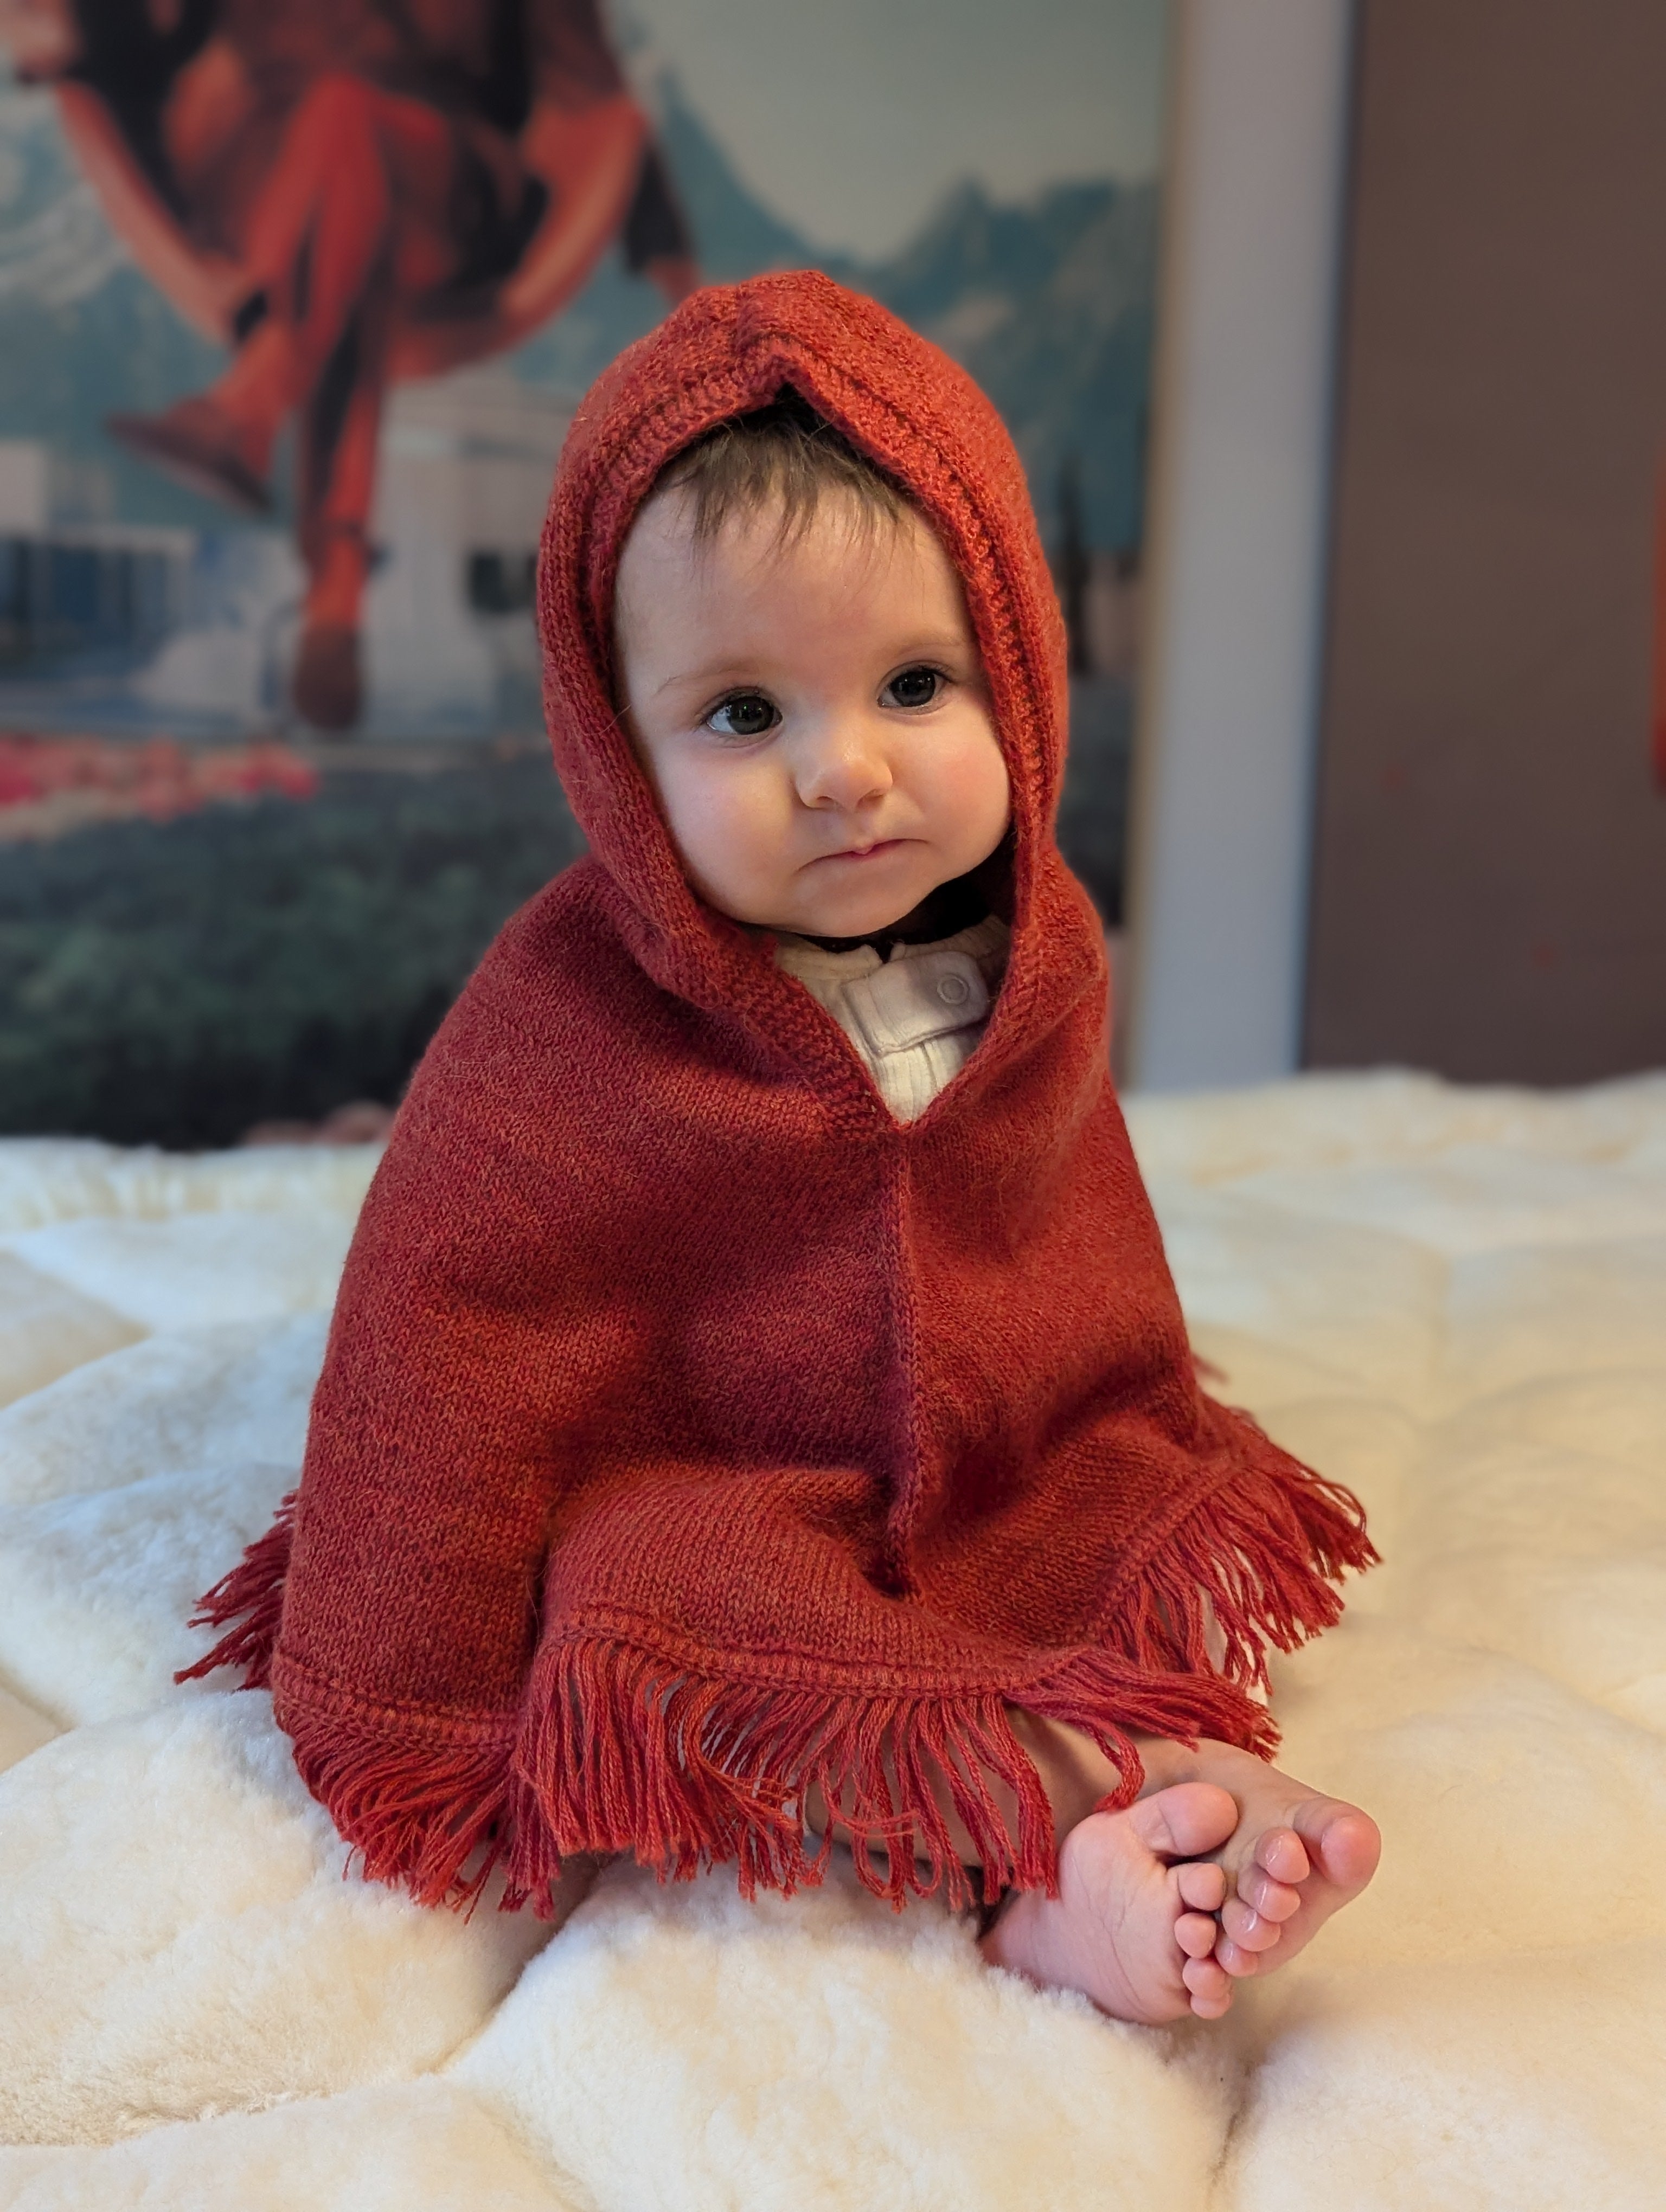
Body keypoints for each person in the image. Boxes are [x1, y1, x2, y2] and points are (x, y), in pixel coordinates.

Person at [182, 272, 1381, 2026]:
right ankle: (1080, 1818)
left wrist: (1079, 1414)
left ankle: (1115, 1834)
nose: (846, 772)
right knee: (646, 1615)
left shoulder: (1034, 969)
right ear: (619, 749)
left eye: (913, 683)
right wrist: (404, 1685)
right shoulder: (565, 1028)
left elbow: (1060, 1242)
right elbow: (449, 1325)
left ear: (1020, 675)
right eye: (745, 715)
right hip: (725, 1473)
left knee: (1113, 1515)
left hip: (996, 1456)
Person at [5, 0, 693, 731]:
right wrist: (63, 53)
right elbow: (144, 48)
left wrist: (682, 284)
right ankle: (333, 594)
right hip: (262, 188)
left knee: (343, 127)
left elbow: (599, 115)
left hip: (442, 190)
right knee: (343, 239)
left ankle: (257, 408)